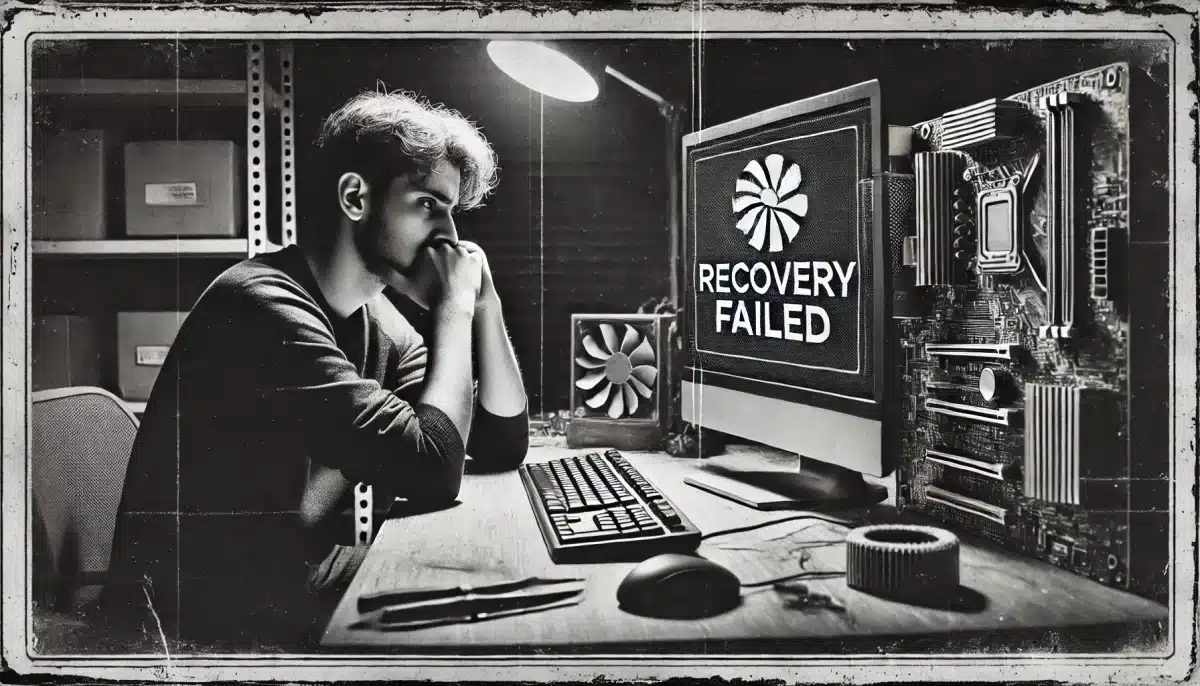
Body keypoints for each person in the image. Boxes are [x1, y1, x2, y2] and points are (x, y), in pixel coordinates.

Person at [103, 89, 529, 649]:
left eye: (453, 211)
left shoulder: (377, 322)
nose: (450, 235)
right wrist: (453, 309)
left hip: (284, 582)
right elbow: (434, 465)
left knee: (493, 584)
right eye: (428, 204)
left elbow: (498, 445)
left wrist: (485, 307)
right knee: (481, 617)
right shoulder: (260, 305)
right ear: (356, 197)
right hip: (199, 624)